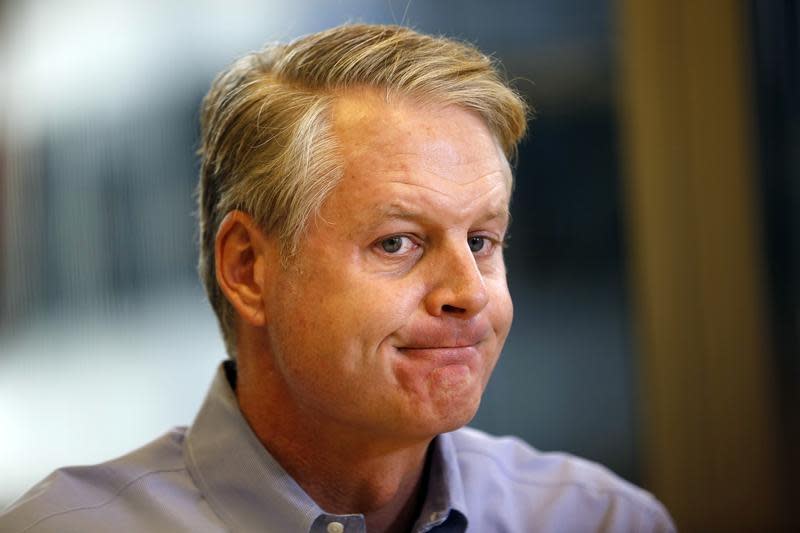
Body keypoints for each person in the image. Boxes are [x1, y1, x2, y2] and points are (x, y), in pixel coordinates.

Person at [0, 24, 675, 532]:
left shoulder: (602, 517)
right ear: (248, 268)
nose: (469, 292)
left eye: (481, 240)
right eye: (398, 242)